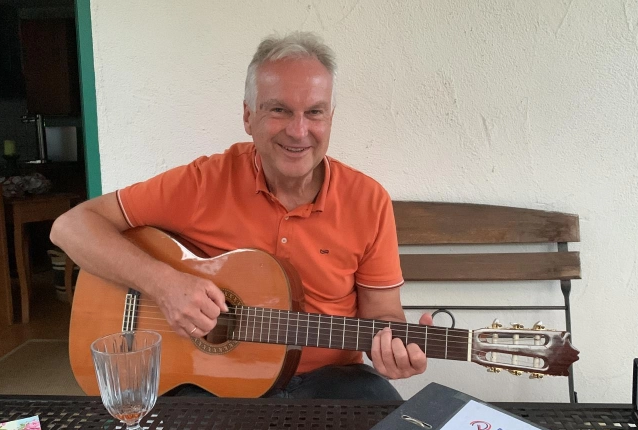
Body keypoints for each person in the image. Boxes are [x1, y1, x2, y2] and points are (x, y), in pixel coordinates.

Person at [50, 31, 433, 400]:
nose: (299, 131)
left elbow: (381, 312)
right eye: (279, 110)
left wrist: (393, 350)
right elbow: (71, 227)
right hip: (212, 384)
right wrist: (163, 285)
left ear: (330, 117)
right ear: (248, 116)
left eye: (314, 112)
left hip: (333, 382)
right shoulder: (203, 182)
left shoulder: (368, 200)